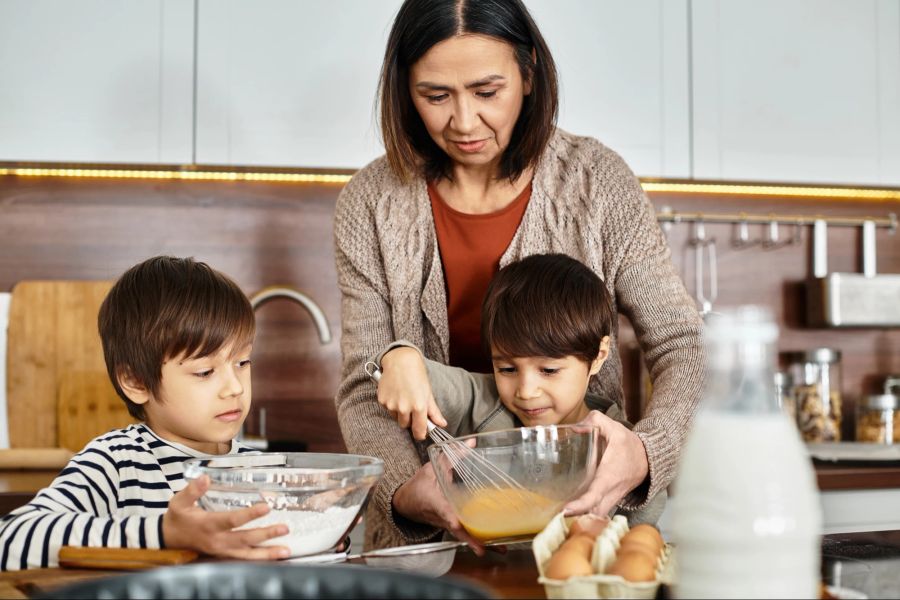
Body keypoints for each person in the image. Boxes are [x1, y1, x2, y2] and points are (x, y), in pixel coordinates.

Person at [333, 0, 704, 552]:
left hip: (585, 533)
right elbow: (366, 389)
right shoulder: (370, 204)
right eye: (435, 96)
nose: (462, 122)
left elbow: (683, 346)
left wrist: (648, 451)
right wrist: (406, 493)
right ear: (403, 88)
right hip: (423, 551)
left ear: (528, 74)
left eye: (487, 92)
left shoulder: (596, 183)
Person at [0, 256, 291, 570]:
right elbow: (11, 540)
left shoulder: (264, 469)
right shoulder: (116, 462)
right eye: (205, 372)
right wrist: (162, 534)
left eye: (242, 362)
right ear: (136, 382)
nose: (234, 387)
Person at [368, 253, 666, 526]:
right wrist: (401, 357)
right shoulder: (479, 400)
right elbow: (414, 376)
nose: (525, 391)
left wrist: (638, 480)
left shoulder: (615, 442)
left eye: (548, 370)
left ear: (599, 356)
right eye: (507, 369)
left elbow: (645, 517)